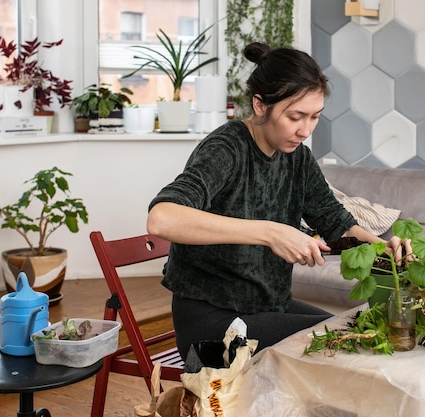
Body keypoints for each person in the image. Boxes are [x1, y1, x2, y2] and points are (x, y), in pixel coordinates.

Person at [147, 42, 409, 360]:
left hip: (269, 307)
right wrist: (271, 233)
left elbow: (335, 223)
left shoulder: (297, 159)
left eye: (314, 117)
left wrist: (383, 249)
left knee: (357, 329)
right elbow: (162, 218)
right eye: (296, 116)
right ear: (260, 105)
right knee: (345, 343)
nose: (305, 130)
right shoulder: (226, 148)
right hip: (212, 323)